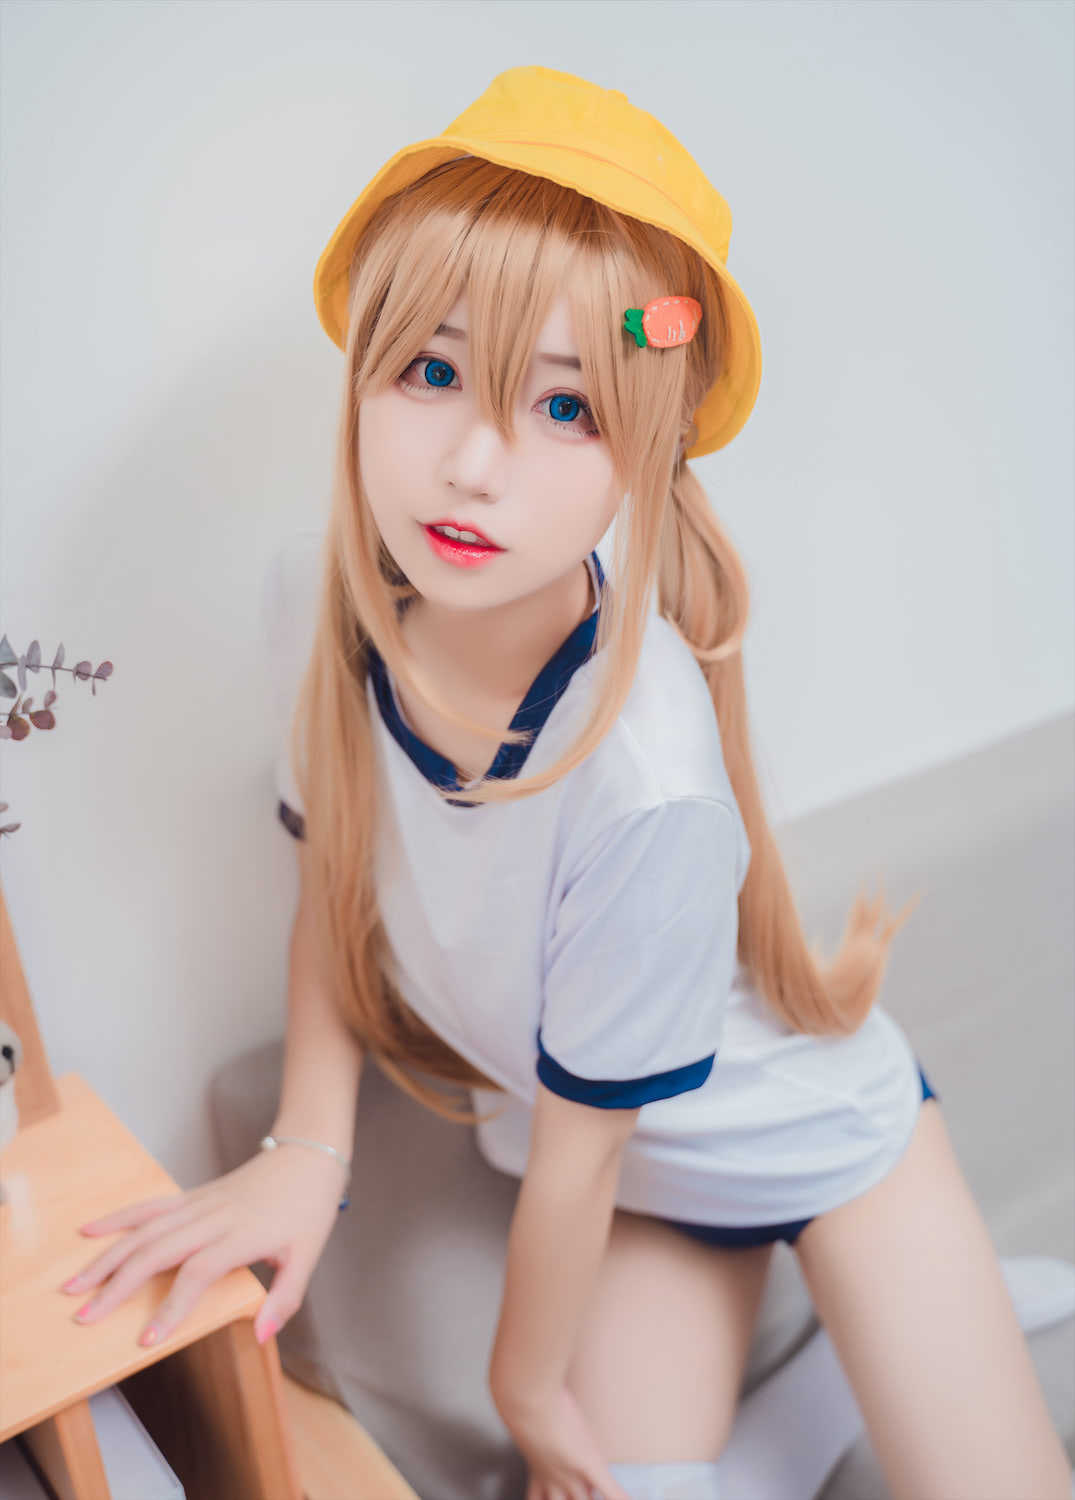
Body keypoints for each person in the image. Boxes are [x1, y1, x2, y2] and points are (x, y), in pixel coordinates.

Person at [61, 67, 1074, 1500]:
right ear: (361, 372)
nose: (474, 466)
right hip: (636, 1177)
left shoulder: (647, 779)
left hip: (815, 1145)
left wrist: (526, 1392)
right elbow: (333, 883)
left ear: (643, 458)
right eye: (432, 373)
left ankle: (890, 1332)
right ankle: (813, 1396)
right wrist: (307, 1148)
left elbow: (579, 1168)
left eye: (565, 407)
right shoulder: (316, 597)